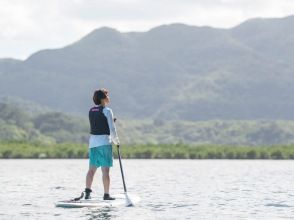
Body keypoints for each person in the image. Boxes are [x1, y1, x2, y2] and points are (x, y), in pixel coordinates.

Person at [84, 88, 120, 200]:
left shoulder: (91, 110)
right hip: (104, 143)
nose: (108, 97)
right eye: (107, 95)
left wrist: (109, 120)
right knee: (105, 171)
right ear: (103, 98)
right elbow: (112, 129)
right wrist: (117, 142)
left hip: (93, 144)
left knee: (91, 170)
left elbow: (98, 124)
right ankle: (106, 195)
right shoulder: (108, 111)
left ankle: (87, 194)